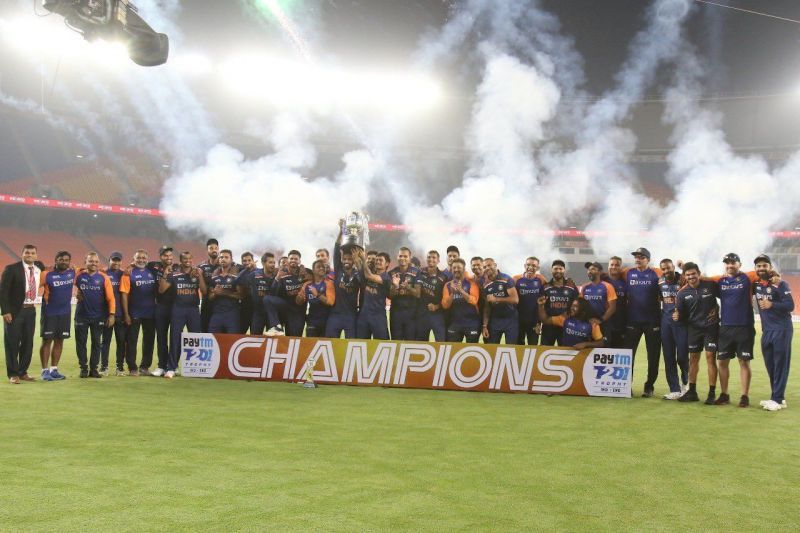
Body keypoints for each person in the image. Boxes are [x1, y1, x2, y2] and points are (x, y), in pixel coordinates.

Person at [705, 253, 759, 407]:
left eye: (733, 263)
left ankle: (744, 396)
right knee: (722, 361)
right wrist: (683, 268)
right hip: (726, 327)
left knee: (744, 361)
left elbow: (767, 273)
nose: (730, 265)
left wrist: (775, 275)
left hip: (745, 327)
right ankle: (724, 394)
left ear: (739, 264)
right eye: (727, 263)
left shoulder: (748, 277)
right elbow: (704, 279)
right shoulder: (719, 280)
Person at [673, 262, 720, 404]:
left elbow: (726, 294)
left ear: (699, 273)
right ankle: (692, 392)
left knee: (710, 357)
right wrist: (677, 315)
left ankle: (712, 393)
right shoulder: (682, 293)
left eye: (693, 273)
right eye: (688, 274)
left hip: (711, 328)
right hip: (694, 329)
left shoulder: (710, 284)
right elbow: (679, 313)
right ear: (684, 276)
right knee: (693, 359)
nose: (691, 276)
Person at [752, 254, 793, 411]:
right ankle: (777, 398)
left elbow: (790, 305)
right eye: (759, 266)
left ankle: (777, 399)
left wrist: (772, 304)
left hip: (781, 329)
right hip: (767, 331)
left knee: (780, 365)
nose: (761, 268)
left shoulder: (781, 284)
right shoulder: (756, 284)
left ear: (770, 267)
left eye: (764, 265)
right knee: (771, 365)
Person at [1, 244, 46, 384]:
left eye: (32, 253)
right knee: (12, 343)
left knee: (28, 342)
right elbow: (3, 292)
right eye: (27, 252)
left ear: (36, 255)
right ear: (22, 254)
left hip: (30, 310)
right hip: (15, 311)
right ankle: (13, 374)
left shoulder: (39, 269)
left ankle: (22, 372)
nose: (29, 255)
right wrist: (5, 311)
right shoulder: (11, 269)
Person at [623, 248, 663, 398]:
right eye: (636, 257)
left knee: (653, 356)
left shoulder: (657, 272)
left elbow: (673, 278)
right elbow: (610, 277)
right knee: (628, 356)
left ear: (648, 259)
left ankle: (649, 386)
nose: (638, 259)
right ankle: (626, 386)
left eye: (641, 257)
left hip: (653, 321)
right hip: (632, 321)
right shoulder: (628, 272)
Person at [161, 251, 206, 378]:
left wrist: (200, 276)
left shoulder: (197, 273)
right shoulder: (175, 274)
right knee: (175, 338)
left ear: (192, 259)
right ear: (180, 260)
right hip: (178, 309)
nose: (187, 261)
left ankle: (195, 367)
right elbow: (162, 289)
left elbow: (204, 291)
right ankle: (171, 368)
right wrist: (165, 274)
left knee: (195, 338)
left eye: (189, 258)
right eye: (185, 259)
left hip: (193, 309)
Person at [74, 252, 116, 378]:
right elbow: (67, 285)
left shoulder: (104, 278)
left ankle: (94, 369)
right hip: (81, 315)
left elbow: (111, 298)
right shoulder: (78, 275)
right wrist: (76, 292)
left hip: (99, 316)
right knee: (81, 343)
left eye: (96, 261)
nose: (94, 264)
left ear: (99, 263)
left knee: (96, 343)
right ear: (85, 262)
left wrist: (112, 314)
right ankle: (83, 368)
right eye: (91, 261)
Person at [39, 251, 74, 381]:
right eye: (61, 259)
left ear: (69, 262)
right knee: (47, 341)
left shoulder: (72, 272)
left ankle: (54, 370)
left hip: (65, 313)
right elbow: (32, 286)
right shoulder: (46, 274)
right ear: (56, 260)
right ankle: (44, 371)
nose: (64, 262)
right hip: (49, 313)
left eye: (66, 260)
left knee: (60, 341)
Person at [120, 249, 156, 376]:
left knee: (149, 340)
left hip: (151, 313)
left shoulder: (152, 271)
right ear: (133, 259)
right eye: (138, 258)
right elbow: (124, 295)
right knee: (131, 340)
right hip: (134, 312)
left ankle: (145, 367)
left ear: (147, 259)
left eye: (143, 258)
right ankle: (132, 367)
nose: (141, 260)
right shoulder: (128, 273)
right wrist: (126, 314)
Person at [658, 259, 689, 400]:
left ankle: (686, 383)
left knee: (682, 356)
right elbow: (660, 299)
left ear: (673, 267)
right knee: (668, 356)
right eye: (663, 269)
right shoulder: (660, 282)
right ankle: (674, 389)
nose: (666, 272)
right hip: (666, 323)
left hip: (682, 323)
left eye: (668, 268)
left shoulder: (683, 279)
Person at [147, 246, 178, 377]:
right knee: (161, 337)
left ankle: (173, 366)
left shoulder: (177, 268)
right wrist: (131, 266)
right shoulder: (153, 266)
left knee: (175, 338)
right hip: (160, 306)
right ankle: (161, 366)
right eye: (165, 255)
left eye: (170, 255)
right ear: (160, 257)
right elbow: (138, 266)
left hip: (176, 307)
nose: (169, 257)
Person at [264, 250, 308, 336]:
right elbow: (272, 293)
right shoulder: (282, 273)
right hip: (286, 306)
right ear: (288, 260)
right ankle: (276, 326)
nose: (293, 260)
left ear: (299, 261)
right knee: (267, 299)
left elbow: (315, 278)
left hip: (298, 311)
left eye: (296, 259)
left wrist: (305, 285)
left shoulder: (306, 272)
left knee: (294, 338)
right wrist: (277, 278)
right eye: (291, 258)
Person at [537, 296, 604, 348]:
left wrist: (585, 344)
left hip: (583, 357)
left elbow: (601, 343)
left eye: (575, 306)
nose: (572, 308)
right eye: (572, 305)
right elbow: (545, 320)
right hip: (565, 355)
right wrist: (541, 306)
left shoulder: (592, 324)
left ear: (583, 309)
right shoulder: (564, 319)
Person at [100, 251, 128, 376]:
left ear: (121, 262)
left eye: (118, 260)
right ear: (109, 260)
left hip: (121, 314)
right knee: (105, 341)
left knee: (121, 342)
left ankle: (120, 367)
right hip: (107, 314)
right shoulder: (103, 274)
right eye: (114, 260)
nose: (116, 262)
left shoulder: (124, 274)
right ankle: (104, 367)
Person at [326, 238, 361, 339]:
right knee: (330, 343)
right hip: (335, 315)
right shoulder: (338, 270)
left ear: (353, 261)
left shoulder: (358, 273)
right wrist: (341, 231)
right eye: (344, 259)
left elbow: (362, 279)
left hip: (351, 315)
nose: (346, 261)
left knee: (351, 345)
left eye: (350, 259)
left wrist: (358, 259)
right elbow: (336, 249)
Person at [442, 259, 481, 343]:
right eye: (454, 267)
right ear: (451, 269)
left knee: (472, 351)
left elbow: (474, 301)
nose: (456, 269)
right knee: (453, 351)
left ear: (463, 269)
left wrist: (461, 291)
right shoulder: (447, 285)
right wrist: (452, 293)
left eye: (459, 267)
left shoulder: (471, 283)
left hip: (472, 323)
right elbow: (445, 306)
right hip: (455, 323)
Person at [481, 258, 519, 344]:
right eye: (484, 267)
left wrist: (496, 299)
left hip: (510, 319)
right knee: (492, 349)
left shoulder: (506, 279)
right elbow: (487, 308)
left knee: (511, 348)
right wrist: (484, 326)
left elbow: (515, 299)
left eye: (489, 265)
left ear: (495, 265)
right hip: (495, 320)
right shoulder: (485, 284)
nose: (487, 268)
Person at [540, 260, 578, 346]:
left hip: (567, 324)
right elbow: (540, 307)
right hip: (549, 325)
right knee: (544, 350)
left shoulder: (571, 286)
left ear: (564, 270)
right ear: (551, 270)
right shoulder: (545, 287)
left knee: (566, 352)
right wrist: (539, 322)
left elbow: (578, 303)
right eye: (555, 268)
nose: (558, 271)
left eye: (560, 269)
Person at [239, 252, 277, 335]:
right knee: (255, 337)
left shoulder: (277, 276)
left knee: (273, 339)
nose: (273, 265)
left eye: (274, 262)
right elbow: (237, 281)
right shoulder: (255, 274)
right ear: (263, 263)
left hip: (271, 313)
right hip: (258, 312)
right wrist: (247, 268)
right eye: (270, 262)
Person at [388, 247, 420, 340]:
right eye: (400, 256)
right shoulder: (391, 273)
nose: (402, 258)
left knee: (410, 342)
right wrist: (395, 286)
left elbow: (418, 294)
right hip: (395, 313)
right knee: (396, 342)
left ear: (410, 258)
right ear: (397, 257)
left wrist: (408, 287)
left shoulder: (417, 272)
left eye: (405, 256)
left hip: (411, 313)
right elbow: (390, 296)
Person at [357, 251, 391, 340]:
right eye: (376, 260)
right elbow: (361, 268)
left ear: (387, 264)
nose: (377, 262)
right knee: (361, 343)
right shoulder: (370, 273)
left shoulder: (386, 277)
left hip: (377, 316)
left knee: (382, 343)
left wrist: (363, 259)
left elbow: (369, 275)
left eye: (380, 260)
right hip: (364, 315)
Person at [415, 250, 447, 341]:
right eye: (429, 257)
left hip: (436, 314)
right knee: (421, 343)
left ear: (438, 260)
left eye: (434, 257)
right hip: (421, 313)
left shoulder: (443, 277)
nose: (431, 259)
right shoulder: (419, 272)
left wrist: (437, 306)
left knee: (440, 342)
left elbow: (445, 298)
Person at [580, 261, 617, 338]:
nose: (589, 271)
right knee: (588, 348)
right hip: (588, 324)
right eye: (588, 270)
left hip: (604, 324)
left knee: (604, 349)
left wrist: (601, 320)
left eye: (593, 269)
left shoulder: (608, 286)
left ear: (600, 272)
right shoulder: (584, 287)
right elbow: (581, 306)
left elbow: (612, 308)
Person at [208, 250, 242, 333]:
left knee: (232, 342)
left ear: (231, 259)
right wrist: (215, 293)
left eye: (226, 257)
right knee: (212, 340)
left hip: (232, 314)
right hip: (217, 313)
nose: (223, 259)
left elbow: (241, 295)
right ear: (219, 259)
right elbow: (210, 297)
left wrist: (224, 292)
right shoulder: (214, 276)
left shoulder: (236, 276)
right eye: (221, 257)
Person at [298, 260, 335, 337]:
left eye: (323, 267)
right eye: (319, 267)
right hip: (312, 321)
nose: (322, 268)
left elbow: (330, 302)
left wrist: (317, 294)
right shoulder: (307, 285)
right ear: (313, 270)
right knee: (310, 345)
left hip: (327, 321)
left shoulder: (329, 283)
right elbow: (299, 302)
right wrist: (299, 297)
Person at [514, 256, 546, 345]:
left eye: (534, 265)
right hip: (518, 321)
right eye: (528, 265)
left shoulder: (541, 280)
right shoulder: (516, 279)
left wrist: (539, 322)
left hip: (534, 322)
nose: (530, 267)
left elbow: (545, 298)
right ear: (524, 266)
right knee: (518, 347)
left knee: (533, 347)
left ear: (538, 268)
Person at [602, 256, 627, 348]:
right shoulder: (601, 280)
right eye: (611, 264)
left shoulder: (625, 283)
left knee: (618, 354)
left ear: (621, 268)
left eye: (617, 265)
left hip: (620, 324)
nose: (614, 267)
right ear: (608, 266)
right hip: (603, 324)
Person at [198, 238, 220, 333]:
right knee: (205, 331)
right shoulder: (201, 267)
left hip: (220, 305)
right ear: (207, 250)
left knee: (220, 334)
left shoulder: (225, 265)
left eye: (216, 248)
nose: (214, 250)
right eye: (211, 248)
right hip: (206, 303)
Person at [237, 252, 257, 334]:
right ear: (242, 262)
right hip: (244, 308)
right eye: (244, 261)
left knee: (255, 336)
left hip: (256, 310)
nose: (247, 263)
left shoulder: (259, 272)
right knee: (239, 334)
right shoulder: (241, 273)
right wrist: (246, 269)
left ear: (253, 261)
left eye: (249, 260)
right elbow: (236, 281)